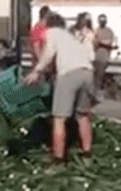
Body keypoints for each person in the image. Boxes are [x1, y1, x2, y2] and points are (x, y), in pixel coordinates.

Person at [25, 13, 95, 164]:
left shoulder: (52, 33)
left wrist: (37, 71)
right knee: (83, 115)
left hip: (70, 74)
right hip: (88, 73)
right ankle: (87, 156)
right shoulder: (70, 36)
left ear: (49, 25)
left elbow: (48, 54)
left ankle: (58, 160)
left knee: (59, 118)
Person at [93, 14, 116, 94]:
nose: (102, 22)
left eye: (104, 20)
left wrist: (99, 43)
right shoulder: (95, 30)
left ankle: (97, 92)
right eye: (101, 20)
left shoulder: (109, 31)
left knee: (100, 75)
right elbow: (94, 42)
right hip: (94, 56)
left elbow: (108, 43)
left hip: (103, 56)